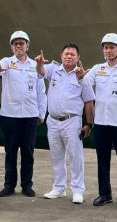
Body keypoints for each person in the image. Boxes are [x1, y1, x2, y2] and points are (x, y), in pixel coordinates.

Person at [76, 33, 117, 209]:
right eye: (106, 47)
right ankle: (105, 194)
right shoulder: (98, 69)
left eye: (112, 47)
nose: (108, 50)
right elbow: (85, 84)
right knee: (102, 159)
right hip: (101, 122)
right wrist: (80, 76)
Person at [0, 30, 47, 197]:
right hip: (10, 115)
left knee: (28, 152)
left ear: (27, 46)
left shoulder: (35, 66)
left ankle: (26, 185)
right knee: (11, 152)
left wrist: (41, 113)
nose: (18, 46)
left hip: (30, 115)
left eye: (21, 43)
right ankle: (9, 185)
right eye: (15, 44)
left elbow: (41, 91)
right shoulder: (7, 62)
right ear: (11, 47)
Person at [37, 43, 95, 204]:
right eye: (66, 54)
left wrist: (89, 123)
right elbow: (41, 72)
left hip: (72, 121)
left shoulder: (82, 76)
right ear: (61, 56)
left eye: (72, 54)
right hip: (53, 120)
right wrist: (39, 63)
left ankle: (78, 190)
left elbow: (89, 101)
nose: (69, 56)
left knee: (76, 156)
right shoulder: (53, 69)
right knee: (56, 156)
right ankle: (59, 188)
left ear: (78, 57)